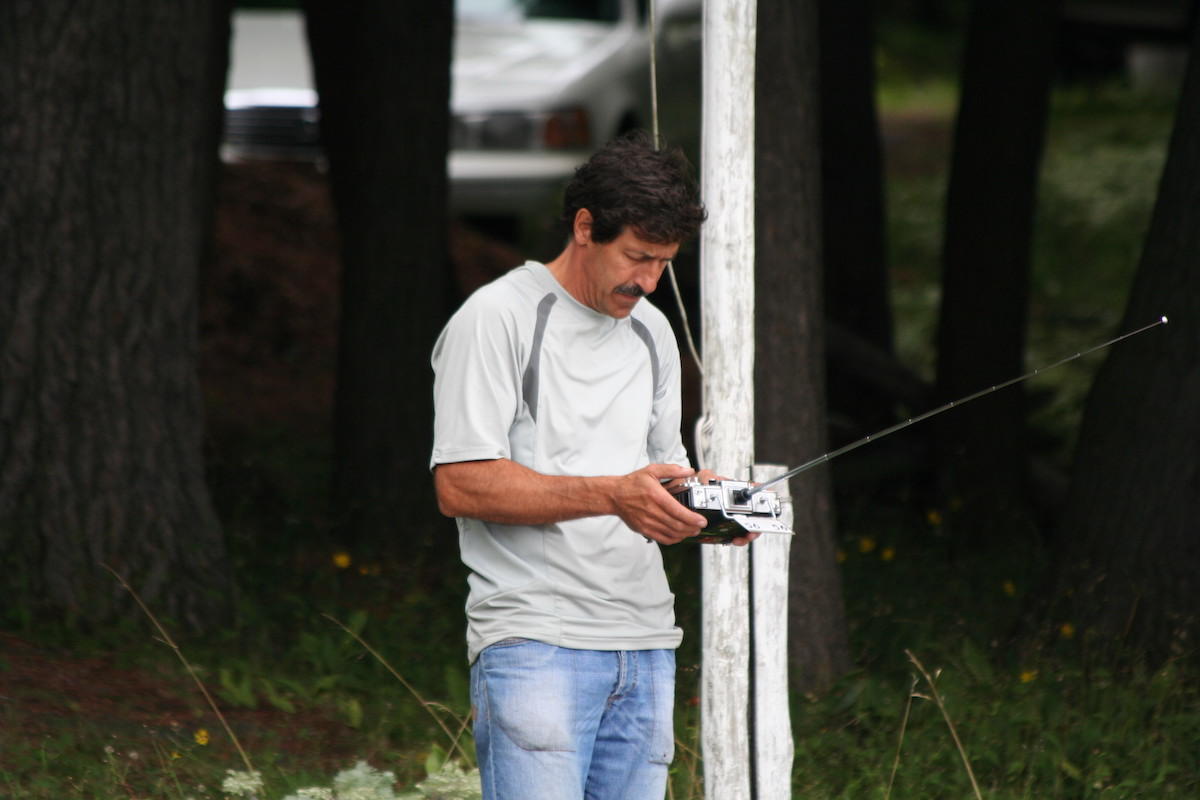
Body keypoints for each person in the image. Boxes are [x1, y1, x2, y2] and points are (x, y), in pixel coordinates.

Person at [429, 131, 755, 800]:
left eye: (664, 263)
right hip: (535, 641)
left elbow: (659, 476)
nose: (649, 281)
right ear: (585, 228)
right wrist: (612, 495)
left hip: (646, 641)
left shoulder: (652, 331)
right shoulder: (496, 317)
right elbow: (459, 484)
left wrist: (706, 507)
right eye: (637, 256)